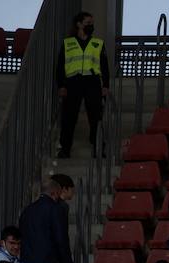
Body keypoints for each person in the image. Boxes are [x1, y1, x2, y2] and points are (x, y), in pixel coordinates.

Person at [55, 11, 108, 158]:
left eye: (92, 23)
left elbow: (104, 66)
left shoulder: (98, 43)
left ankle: (98, 147)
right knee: (69, 117)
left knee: (96, 117)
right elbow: (60, 66)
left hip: (92, 81)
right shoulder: (68, 43)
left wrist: (106, 85)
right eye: (88, 23)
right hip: (73, 82)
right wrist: (61, 86)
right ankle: (65, 149)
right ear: (79, 24)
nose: (91, 26)